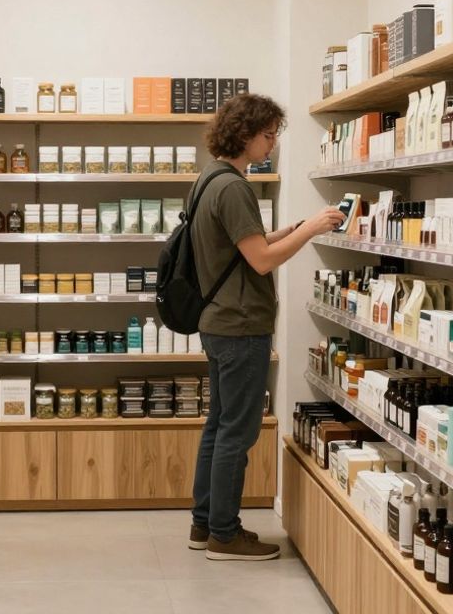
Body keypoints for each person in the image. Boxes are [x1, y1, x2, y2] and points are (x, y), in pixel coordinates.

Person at [187, 93, 345, 561]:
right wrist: (312, 230)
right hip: (241, 326)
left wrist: (292, 228)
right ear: (244, 134)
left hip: (218, 322)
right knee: (237, 433)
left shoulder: (208, 179)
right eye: (268, 135)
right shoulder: (234, 187)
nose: (272, 144)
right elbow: (260, 261)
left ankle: (204, 524)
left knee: (219, 426)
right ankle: (225, 535)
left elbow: (240, 248)